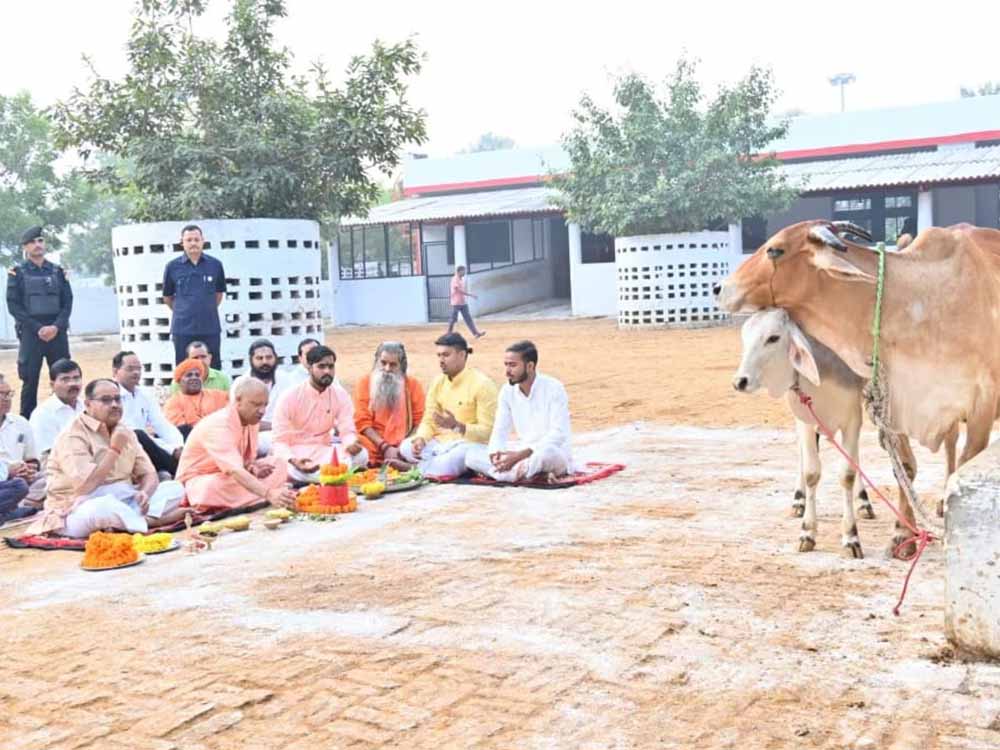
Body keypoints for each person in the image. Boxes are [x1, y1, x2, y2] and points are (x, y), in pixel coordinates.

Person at [27, 379, 186, 538]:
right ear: (88, 405)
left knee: (175, 487)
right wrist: (114, 449)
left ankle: (129, 521)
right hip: (75, 509)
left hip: (124, 499)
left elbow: (149, 473)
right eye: (106, 400)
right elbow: (84, 487)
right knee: (103, 507)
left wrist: (144, 493)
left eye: (117, 399)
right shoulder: (72, 435)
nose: (115, 404)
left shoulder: (125, 431)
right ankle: (152, 522)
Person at [177, 378, 296, 511]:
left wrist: (252, 467)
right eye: (256, 404)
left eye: (265, 405)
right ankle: (265, 493)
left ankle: (255, 495)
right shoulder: (219, 424)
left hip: (233, 476)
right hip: (203, 480)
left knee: (279, 463)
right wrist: (269, 493)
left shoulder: (251, 420)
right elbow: (233, 469)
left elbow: (243, 462)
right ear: (238, 401)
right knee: (210, 487)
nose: (262, 411)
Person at [466, 341, 573, 482]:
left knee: (546, 454)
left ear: (530, 366)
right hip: (520, 454)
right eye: (506, 365)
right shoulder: (506, 391)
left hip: (550, 452)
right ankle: (528, 474)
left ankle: (508, 474)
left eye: (513, 365)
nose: (507, 372)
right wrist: (495, 453)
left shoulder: (554, 388)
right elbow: (500, 429)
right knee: (470, 455)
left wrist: (519, 456)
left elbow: (558, 434)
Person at [399, 333, 497, 476]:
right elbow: (429, 420)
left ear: (462, 355)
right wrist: (421, 439)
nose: (441, 360)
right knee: (406, 446)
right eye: (439, 356)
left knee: (451, 461)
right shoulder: (438, 382)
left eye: (446, 355)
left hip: (468, 444)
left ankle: (415, 469)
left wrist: (457, 426)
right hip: (441, 443)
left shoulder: (482, 384)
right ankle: (428, 466)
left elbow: (488, 432)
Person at [273, 345, 367, 483]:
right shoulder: (289, 397)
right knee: (292, 468)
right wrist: (293, 460)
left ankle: (330, 477)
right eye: (321, 367)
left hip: (325, 450)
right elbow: (279, 441)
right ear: (310, 368)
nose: (327, 371)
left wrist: (351, 444)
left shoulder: (340, 395)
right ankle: (334, 477)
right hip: (298, 453)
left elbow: (347, 430)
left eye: (331, 366)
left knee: (362, 455)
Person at [6, 226, 73, 418]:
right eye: (33, 242)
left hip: (57, 334)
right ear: (25, 247)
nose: (38, 245)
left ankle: (66, 419)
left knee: (64, 378)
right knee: (30, 380)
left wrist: (56, 327)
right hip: (31, 334)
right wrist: (38, 328)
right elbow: (14, 306)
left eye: (40, 241)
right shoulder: (17, 273)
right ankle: (27, 422)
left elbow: (67, 302)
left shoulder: (57, 271)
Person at [162, 224, 227, 367]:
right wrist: (184, 311)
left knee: (213, 367)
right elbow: (167, 297)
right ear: (182, 243)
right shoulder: (172, 267)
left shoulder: (215, 265)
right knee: (184, 368)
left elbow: (218, 294)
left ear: (203, 241)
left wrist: (204, 309)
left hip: (210, 327)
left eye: (196, 239)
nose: (193, 243)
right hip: (183, 329)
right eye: (189, 240)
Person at [112, 351, 184, 477]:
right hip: (125, 446)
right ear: (115, 371)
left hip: (146, 440)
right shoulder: (113, 396)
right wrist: (172, 450)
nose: (136, 372)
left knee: (185, 429)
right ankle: (181, 469)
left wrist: (178, 446)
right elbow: (131, 431)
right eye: (130, 369)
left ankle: (185, 460)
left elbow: (160, 423)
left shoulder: (144, 393)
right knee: (138, 435)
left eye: (139, 369)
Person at [354, 342, 425, 468]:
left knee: (420, 445)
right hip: (374, 444)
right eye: (383, 363)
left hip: (403, 443)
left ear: (401, 366)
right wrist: (385, 447)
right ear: (376, 361)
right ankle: (394, 462)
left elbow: (419, 421)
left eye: (393, 365)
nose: (387, 369)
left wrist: (402, 446)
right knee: (354, 442)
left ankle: (402, 461)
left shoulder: (413, 385)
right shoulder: (364, 383)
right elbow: (362, 422)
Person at [229, 338, 293, 455]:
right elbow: (237, 419)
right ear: (251, 360)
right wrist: (275, 426)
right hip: (252, 434)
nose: (265, 362)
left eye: (269, 357)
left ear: (275, 358)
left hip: (284, 432)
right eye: (259, 358)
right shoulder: (241, 383)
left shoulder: (286, 379)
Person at [0, 376, 38, 521]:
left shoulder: (20, 423)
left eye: (9, 394)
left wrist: (29, 471)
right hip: (10, 485)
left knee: (50, 477)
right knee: (18, 486)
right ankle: (8, 514)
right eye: (1, 394)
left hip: (14, 487)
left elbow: (32, 460)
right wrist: (8, 472)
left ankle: (6, 514)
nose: (6, 399)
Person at [29, 358, 84, 457]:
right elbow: (48, 454)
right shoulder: (43, 414)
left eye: (76, 378)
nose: (72, 383)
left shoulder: (87, 406)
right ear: (52, 385)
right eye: (65, 379)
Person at [163, 359, 229, 437]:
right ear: (180, 380)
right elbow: (183, 431)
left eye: (197, 375)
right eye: (189, 375)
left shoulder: (217, 395)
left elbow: (237, 402)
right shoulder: (173, 402)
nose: (194, 377)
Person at [447, 265, 485, 339]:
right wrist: (470, 295)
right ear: (459, 271)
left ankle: (476, 334)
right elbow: (458, 290)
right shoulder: (455, 279)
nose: (464, 272)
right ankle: (448, 335)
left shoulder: (461, 279)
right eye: (463, 271)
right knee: (453, 319)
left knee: (468, 318)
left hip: (463, 302)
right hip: (456, 303)